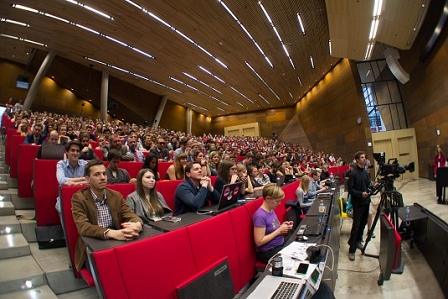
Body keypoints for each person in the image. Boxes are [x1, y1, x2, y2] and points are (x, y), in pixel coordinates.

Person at [71, 159, 143, 272]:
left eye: (104, 173)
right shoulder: (78, 198)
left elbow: (130, 215)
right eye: (97, 174)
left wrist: (137, 225)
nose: (103, 177)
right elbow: (83, 227)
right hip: (93, 243)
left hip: (117, 240)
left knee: (138, 261)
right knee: (111, 271)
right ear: (87, 179)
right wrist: (112, 233)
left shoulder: (116, 195)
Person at [253, 183, 293, 264]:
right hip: (268, 252)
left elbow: (273, 227)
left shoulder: (271, 209)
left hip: (278, 244)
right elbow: (259, 241)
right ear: (268, 199)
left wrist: (283, 226)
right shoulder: (260, 215)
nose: (279, 203)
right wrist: (279, 231)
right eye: (277, 201)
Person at [347, 151, 372, 261]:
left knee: (363, 224)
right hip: (358, 203)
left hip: (366, 202)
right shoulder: (353, 174)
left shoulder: (366, 173)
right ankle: (352, 250)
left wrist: (371, 187)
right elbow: (351, 190)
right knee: (356, 226)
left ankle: (358, 241)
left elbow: (368, 184)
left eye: (364, 157)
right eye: (362, 157)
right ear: (357, 160)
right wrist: (361, 194)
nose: (364, 159)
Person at [55, 141, 89, 214]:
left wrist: (72, 183)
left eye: (77, 151)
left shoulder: (85, 164)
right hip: (65, 196)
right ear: (67, 152)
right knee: (61, 208)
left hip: (82, 196)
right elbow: (61, 180)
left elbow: (90, 181)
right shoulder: (61, 164)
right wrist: (83, 179)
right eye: (72, 150)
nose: (75, 153)